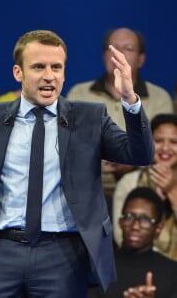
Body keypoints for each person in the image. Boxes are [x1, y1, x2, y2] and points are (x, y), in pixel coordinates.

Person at [0, 30, 154, 297]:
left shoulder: (90, 118)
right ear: (17, 73)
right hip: (0, 252)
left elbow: (140, 155)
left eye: (56, 67)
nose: (49, 75)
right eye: (38, 67)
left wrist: (130, 101)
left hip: (62, 256)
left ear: (64, 73)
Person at [67, 27, 173, 200]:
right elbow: (69, 144)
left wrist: (133, 163)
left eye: (128, 49)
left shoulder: (159, 98)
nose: (119, 53)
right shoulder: (79, 94)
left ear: (141, 59)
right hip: (87, 190)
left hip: (143, 191)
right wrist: (91, 161)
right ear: (103, 56)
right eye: (112, 48)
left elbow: (166, 151)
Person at [88, 187, 177, 298]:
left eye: (145, 219)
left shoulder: (172, 273)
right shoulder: (96, 269)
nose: (135, 226)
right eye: (129, 217)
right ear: (120, 222)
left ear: (158, 228)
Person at [113, 114, 177, 260]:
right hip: (138, 262)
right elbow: (120, 235)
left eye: (174, 142)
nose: (165, 148)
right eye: (158, 141)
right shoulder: (129, 182)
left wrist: (172, 191)